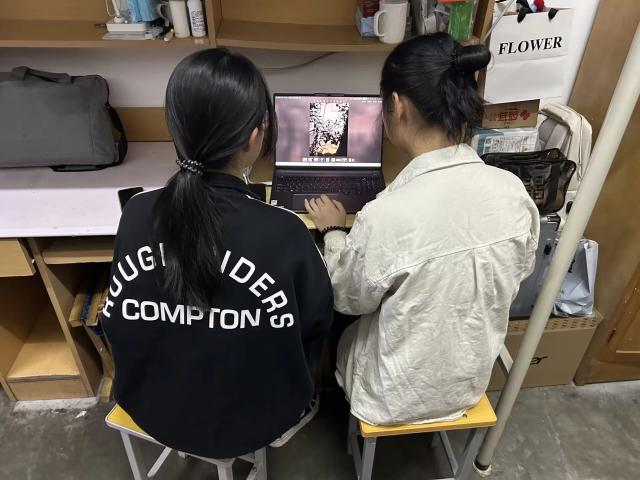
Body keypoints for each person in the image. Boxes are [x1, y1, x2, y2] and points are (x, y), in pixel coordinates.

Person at [102, 49, 333, 458]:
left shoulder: (135, 213)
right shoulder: (284, 230)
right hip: (258, 420)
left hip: (152, 409)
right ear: (254, 136)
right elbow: (317, 321)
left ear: (176, 128)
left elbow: (118, 314)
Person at [305, 33, 540, 426]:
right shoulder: (513, 191)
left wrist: (333, 232)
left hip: (391, 398)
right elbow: (521, 269)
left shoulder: (387, 214)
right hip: (465, 387)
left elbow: (347, 297)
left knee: (339, 312)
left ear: (398, 106)